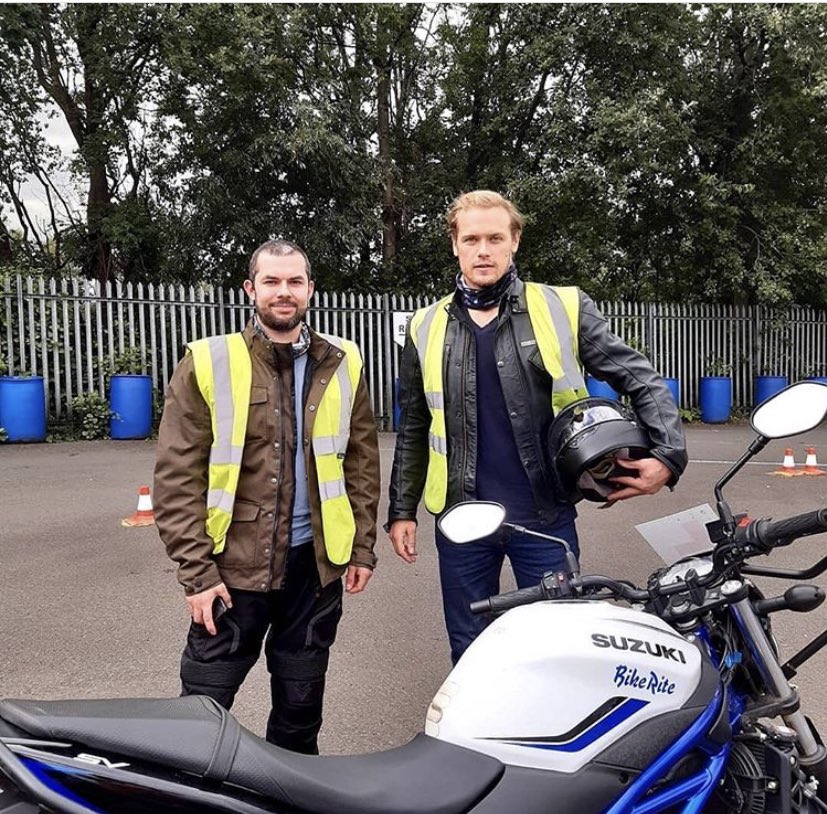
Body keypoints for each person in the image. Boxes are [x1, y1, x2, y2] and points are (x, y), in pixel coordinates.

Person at [387, 190, 687, 665]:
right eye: (471, 239)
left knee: (557, 649)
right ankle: (481, 740)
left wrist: (668, 456)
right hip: (462, 518)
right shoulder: (424, 326)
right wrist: (401, 510)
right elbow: (415, 425)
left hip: (544, 516)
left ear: (515, 241)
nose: (482, 250)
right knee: (470, 648)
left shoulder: (561, 307)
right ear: (455, 245)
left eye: (494, 237)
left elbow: (639, 377)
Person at [154, 239, 380, 754]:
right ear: (250, 288)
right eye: (272, 282)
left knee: (301, 711)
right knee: (201, 714)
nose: (284, 292)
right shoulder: (208, 361)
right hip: (231, 571)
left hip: (314, 569)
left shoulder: (343, 361)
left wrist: (362, 547)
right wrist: (197, 574)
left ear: (310, 290)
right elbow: (176, 476)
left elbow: (361, 460)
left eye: (295, 282)